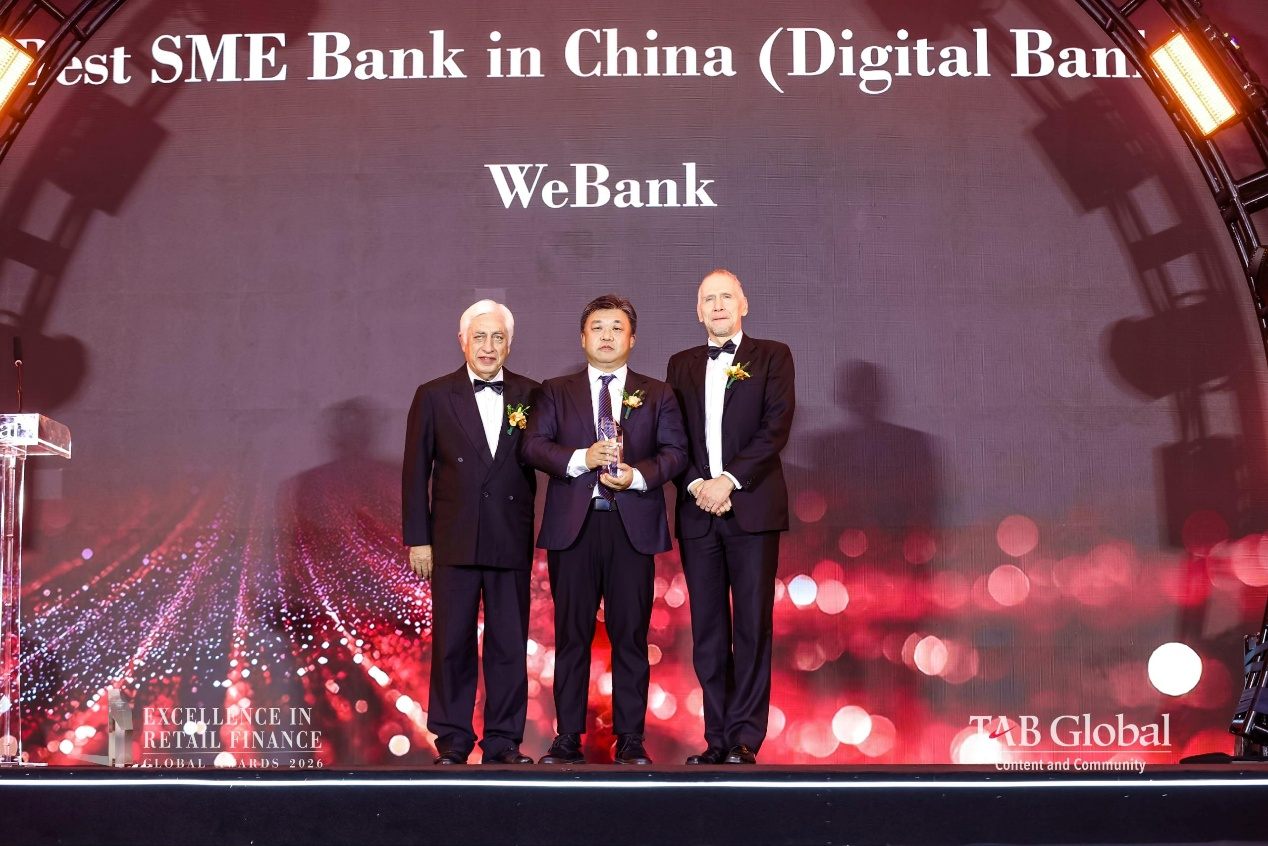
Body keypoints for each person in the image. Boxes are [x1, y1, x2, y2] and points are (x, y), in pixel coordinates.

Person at [521, 294, 687, 765]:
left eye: (617, 328)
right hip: (573, 529)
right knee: (571, 636)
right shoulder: (556, 390)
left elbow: (676, 453)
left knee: (631, 637)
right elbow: (532, 446)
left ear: (632, 339)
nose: (607, 336)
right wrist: (582, 458)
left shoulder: (658, 393)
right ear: (583, 337)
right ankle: (567, 737)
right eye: (598, 328)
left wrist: (636, 476)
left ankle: (631, 739)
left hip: (630, 528)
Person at [401, 299, 539, 765]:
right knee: (452, 643)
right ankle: (452, 740)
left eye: (498, 337)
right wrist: (419, 539)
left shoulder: (532, 394)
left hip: (509, 536)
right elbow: (415, 472)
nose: (488, 346)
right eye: (479, 336)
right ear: (462, 341)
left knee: (509, 644)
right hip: (452, 539)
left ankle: (504, 741)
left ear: (509, 344)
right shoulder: (434, 395)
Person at [667, 269, 796, 765]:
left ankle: (745, 739)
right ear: (698, 311)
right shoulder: (680, 364)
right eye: (708, 299)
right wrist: (698, 485)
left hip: (752, 509)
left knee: (752, 627)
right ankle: (716, 738)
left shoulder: (774, 356)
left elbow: (775, 427)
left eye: (726, 297)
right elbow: (672, 435)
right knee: (708, 633)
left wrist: (729, 481)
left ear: (744, 304)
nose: (718, 305)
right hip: (698, 510)